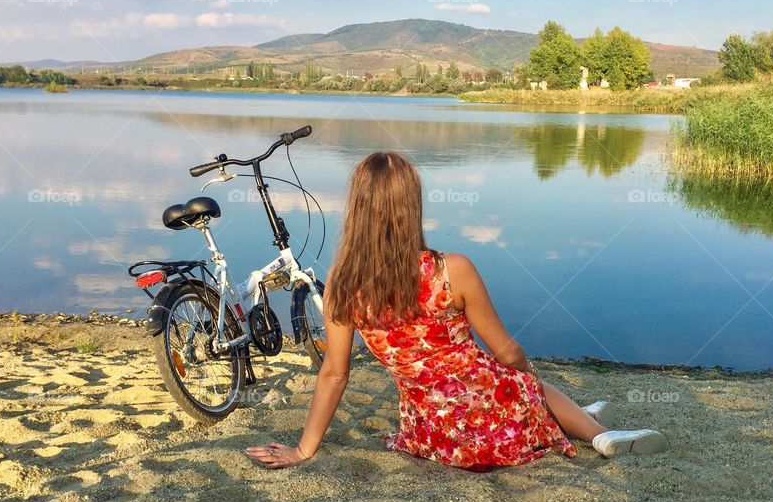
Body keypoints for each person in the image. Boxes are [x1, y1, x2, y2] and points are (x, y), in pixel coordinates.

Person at [247, 152, 667, 471]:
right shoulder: (451, 270)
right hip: (494, 424)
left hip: (435, 436)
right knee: (521, 378)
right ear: (412, 206)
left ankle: (568, 413)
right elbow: (506, 351)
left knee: (518, 384)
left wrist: (304, 449)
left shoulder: (342, 280)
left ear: (357, 208)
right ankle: (600, 436)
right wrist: (529, 376)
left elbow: (335, 373)